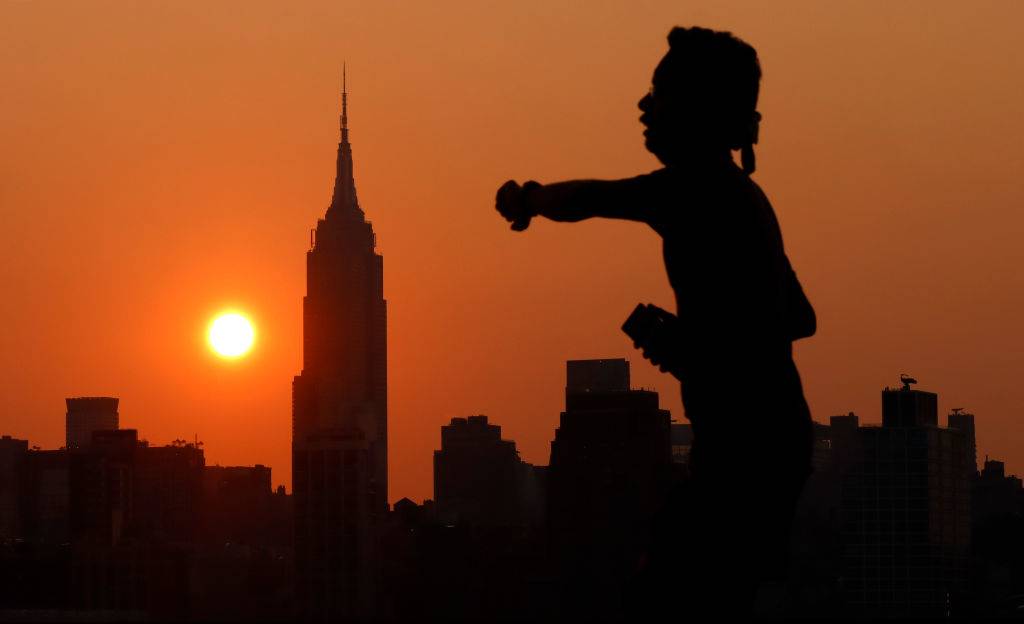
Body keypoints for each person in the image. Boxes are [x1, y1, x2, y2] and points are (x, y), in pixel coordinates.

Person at [495, 26, 816, 618]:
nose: (645, 108)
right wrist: (702, 339)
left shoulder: (696, 189)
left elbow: (592, 198)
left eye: (660, 94)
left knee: (671, 593)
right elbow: (798, 318)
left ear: (697, 112)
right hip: (766, 441)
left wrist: (531, 200)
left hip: (746, 449)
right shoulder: (746, 199)